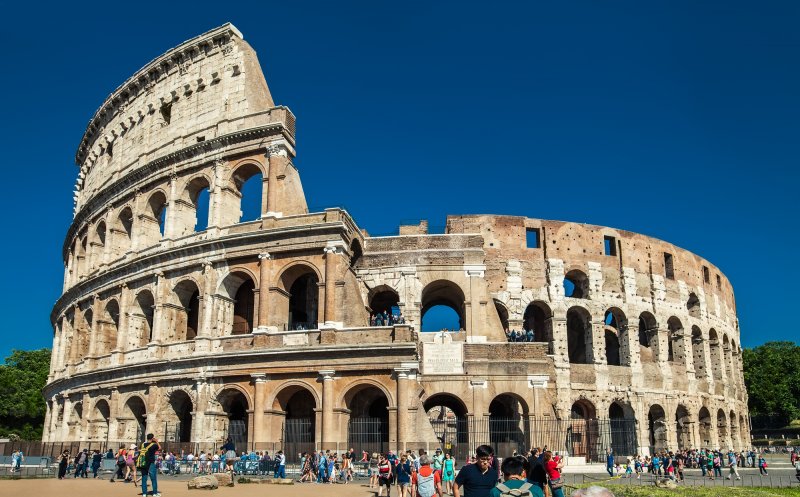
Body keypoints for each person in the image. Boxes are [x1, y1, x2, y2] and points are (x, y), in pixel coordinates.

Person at [139, 433, 162, 497]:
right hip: (150, 463)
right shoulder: (153, 445)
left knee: (144, 478)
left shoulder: (143, 444)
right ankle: (154, 493)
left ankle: (144, 493)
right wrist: (156, 441)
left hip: (143, 463)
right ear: (152, 438)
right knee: (153, 479)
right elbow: (160, 448)